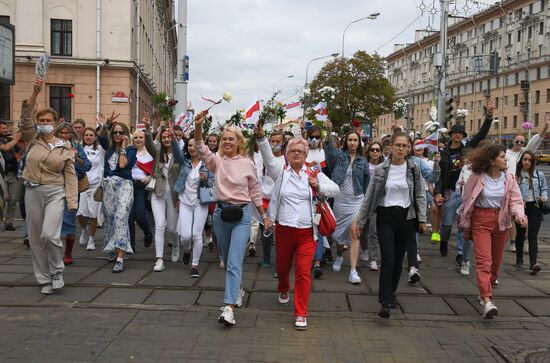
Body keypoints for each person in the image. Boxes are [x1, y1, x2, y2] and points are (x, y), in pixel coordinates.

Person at [256, 125, 338, 330]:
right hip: (284, 229)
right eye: (292, 151)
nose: (296, 154)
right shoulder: (280, 172)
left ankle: (301, 312)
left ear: (306, 154)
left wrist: (318, 186)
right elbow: (267, 157)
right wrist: (261, 138)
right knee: (282, 268)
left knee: (303, 271)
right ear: (286, 154)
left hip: (308, 233)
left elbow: (334, 189)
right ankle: (283, 288)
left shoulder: (313, 172)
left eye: (300, 151)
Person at [194, 111, 269, 327]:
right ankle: (237, 289)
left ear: (239, 142)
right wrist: (198, 127)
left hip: (242, 216)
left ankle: (229, 308)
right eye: (224, 138)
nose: (227, 141)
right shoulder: (216, 161)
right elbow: (201, 148)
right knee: (227, 261)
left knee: (235, 262)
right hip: (220, 215)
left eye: (231, 138)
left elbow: (255, 192)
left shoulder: (247, 163)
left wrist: (264, 216)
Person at [355, 131, 427, 319]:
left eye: (405, 146)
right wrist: (360, 222)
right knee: (387, 259)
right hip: (385, 216)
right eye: (398, 145)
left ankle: (391, 292)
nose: (401, 149)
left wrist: (422, 220)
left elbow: (419, 194)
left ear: (409, 148)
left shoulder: (413, 169)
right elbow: (369, 196)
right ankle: (384, 302)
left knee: (397, 261)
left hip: (406, 217)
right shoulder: (381, 169)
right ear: (391, 147)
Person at [20, 78, 77, 294]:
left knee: (49, 235)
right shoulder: (32, 138)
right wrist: (35, 93)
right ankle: (44, 279)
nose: (45, 123)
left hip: (55, 192)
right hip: (33, 191)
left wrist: (72, 201)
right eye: (41, 120)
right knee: (35, 238)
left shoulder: (65, 147)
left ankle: (57, 271)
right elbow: (25, 116)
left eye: (48, 120)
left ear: (55, 123)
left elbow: (70, 177)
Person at [460, 143, 527, 319]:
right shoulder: (477, 177)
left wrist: (520, 216)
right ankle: (487, 300)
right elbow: (466, 202)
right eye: (502, 157)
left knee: (496, 264)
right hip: (480, 221)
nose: (506, 160)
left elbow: (516, 200)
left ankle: (485, 289)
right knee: (484, 262)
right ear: (491, 161)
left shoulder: (509, 178)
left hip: (501, 221)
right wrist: (465, 226)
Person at [434, 100, 494, 258]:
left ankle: (460, 253)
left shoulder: (467, 149)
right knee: (446, 224)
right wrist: (438, 192)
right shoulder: (444, 153)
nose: (457, 135)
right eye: (455, 132)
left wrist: (489, 117)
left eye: (460, 133)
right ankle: (444, 240)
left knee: (463, 224)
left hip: (466, 192)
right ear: (451, 135)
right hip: (450, 191)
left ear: (463, 136)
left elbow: (481, 134)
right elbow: (439, 175)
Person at [324, 128, 369, 285]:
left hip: (357, 199)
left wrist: (365, 200)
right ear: (346, 142)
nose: (352, 142)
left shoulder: (363, 161)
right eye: (350, 140)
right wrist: (329, 132)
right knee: (340, 232)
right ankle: (339, 255)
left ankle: (353, 271)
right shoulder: (339, 156)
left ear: (359, 142)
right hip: (340, 199)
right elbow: (328, 150)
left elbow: (366, 182)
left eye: (355, 140)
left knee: (354, 232)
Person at [97, 113, 137, 273]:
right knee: (110, 219)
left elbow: (122, 165)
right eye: (115, 132)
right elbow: (100, 136)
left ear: (126, 134)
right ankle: (114, 248)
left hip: (124, 186)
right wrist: (106, 125)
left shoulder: (132, 149)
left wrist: (124, 148)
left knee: (121, 217)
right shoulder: (109, 146)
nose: (118, 135)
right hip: (108, 187)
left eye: (121, 132)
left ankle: (121, 257)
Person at [172, 134, 214, 278]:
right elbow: (176, 151)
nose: (192, 148)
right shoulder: (184, 162)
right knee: (185, 236)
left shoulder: (207, 163)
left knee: (197, 234)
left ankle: (195, 265)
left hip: (200, 203)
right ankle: (187, 250)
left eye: (195, 145)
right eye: (189, 145)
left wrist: (207, 178)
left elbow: (213, 182)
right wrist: (173, 137)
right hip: (184, 202)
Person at [504, 117, 548, 252]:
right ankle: (513, 242)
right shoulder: (506, 153)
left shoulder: (524, 154)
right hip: (509, 187)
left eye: (521, 142)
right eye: (517, 141)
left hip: (523, 188)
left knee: (524, 215)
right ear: (513, 141)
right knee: (511, 216)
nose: (519, 144)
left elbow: (536, 141)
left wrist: (545, 128)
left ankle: (525, 242)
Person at [145, 119, 181, 272]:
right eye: (164, 137)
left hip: (173, 195)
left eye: (169, 137)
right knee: (160, 226)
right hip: (158, 193)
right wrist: (148, 130)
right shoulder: (158, 152)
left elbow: (180, 158)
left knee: (172, 228)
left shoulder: (178, 154)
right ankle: (159, 259)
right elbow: (149, 145)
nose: (166, 139)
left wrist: (174, 138)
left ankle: (175, 244)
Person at [56, 122, 91, 265]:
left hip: (72, 188)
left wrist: (76, 158)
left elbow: (87, 166)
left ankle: (68, 252)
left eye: (66, 133)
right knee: (54, 221)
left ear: (71, 134)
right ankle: (54, 252)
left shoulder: (76, 146)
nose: (64, 136)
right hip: (54, 187)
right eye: (61, 133)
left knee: (69, 220)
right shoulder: (52, 146)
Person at [252, 129, 286, 267]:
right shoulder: (263, 157)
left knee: (280, 234)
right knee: (265, 231)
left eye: (278, 141)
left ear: (283, 143)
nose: (275, 144)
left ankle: (280, 259)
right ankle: (266, 257)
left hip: (279, 200)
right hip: (264, 198)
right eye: (273, 141)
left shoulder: (286, 159)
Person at [514, 150, 547, 275]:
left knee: (533, 236)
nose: (527, 162)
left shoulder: (539, 175)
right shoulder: (517, 176)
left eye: (529, 160)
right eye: (525, 159)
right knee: (521, 235)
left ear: (533, 162)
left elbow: (544, 189)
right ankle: (519, 259)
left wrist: (544, 197)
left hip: (535, 207)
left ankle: (533, 264)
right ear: (521, 161)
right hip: (521, 208)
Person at [305, 125, 331, 278]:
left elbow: (328, 174)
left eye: (317, 136)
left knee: (318, 228)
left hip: (319, 196)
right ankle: (307, 259)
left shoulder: (323, 153)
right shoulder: (303, 151)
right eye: (311, 136)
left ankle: (317, 262)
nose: (314, 139)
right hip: (303, 196)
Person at [77, 127, 105, 251]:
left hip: (95, 186)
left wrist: (105, 125)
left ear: (95, 137)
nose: (88, 137)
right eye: (86, 135)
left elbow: (106, 139)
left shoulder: (100, 149)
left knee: (93, 215)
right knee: (81, 214)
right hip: (82, 185)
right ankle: (84, 229)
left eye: (91, 135)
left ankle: (91, 239)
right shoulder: (79, 148)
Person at [128, 128, 154, 252]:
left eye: (141, 137)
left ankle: (148, 233)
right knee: (129, 217)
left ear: (144, 140)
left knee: (139, 216)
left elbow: (155, 171)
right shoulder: (129, 152)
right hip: (128, 187)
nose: (138, 139)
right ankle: (131, 245)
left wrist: (149, 177)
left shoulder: (150, 154)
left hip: (142, 188)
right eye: (136, 137)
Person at [360, 140, 384, 271]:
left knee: (374, 231)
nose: (375, 152)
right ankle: (364, 249)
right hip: (364, 201)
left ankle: (374, 259)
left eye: (377, 150)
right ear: (368, 152)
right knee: (362, 230)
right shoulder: (364, 165)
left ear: (380, 152)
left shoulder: (385, 167)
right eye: (372, 150)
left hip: (377, 203)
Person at [0, 121, 21, 231]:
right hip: (1, 174)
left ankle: (9, 223)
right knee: (3, 198)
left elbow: (20, 151)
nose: (6, 130)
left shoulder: (9, 140)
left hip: (12, 173)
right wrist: (16, 139)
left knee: (12, 199)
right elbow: (4, 148)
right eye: (3, 128)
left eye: (6, 128)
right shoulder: (9, 141)